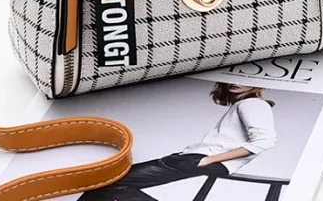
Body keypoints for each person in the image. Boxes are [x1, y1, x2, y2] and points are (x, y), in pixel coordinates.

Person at [80, 83, 277, 200]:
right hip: (194, 158)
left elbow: (265, 140)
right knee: (111, 185)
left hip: (201, 158)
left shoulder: (253, 103)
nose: (236, 82)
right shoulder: (243, 104)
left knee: (106, 182)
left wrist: (210, 160)